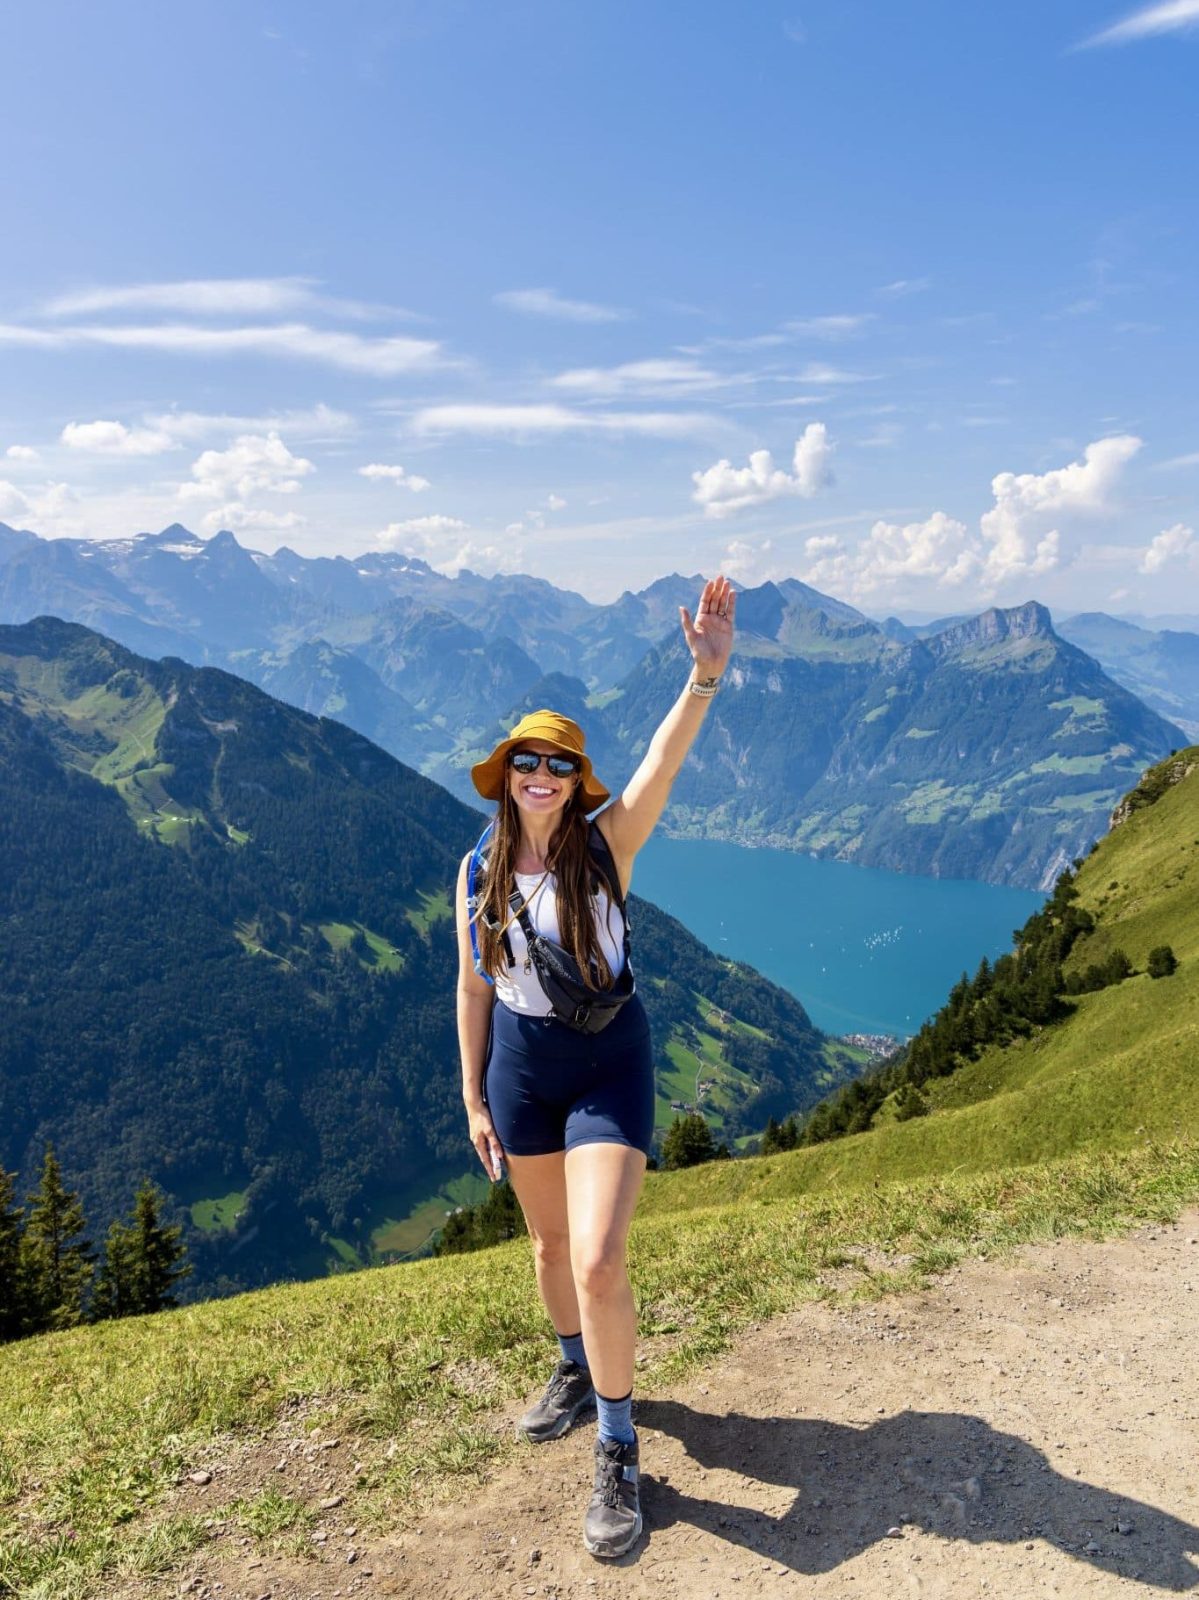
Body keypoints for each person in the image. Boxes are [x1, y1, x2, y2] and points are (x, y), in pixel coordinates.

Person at [454, 574, 736, 1560]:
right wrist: (472, 1096)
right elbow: (474, 988)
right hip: (521, 1073)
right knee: (545, 1251)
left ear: (576, 779)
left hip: (607, 1061)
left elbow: (660, 764)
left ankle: (617, 1449)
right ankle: (574, 1369)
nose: (540, 775)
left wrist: (700, 679)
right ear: (506, 776)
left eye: (557, 764)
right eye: (524, 761)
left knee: (598, 1256)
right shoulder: (475, 872)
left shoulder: (607, 846)